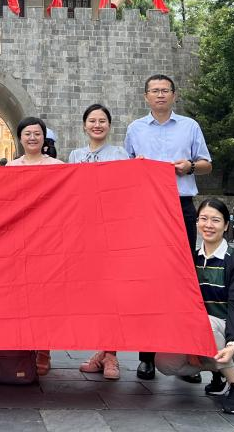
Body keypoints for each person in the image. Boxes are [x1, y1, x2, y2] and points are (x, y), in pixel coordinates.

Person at [123, 73, 212, 381]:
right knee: (147, 280)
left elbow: (206, 164)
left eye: (165, 90)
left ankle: (186, 358)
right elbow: (126, 168)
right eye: (154, 91)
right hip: (145, 209)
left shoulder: (190, 126)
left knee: (183, 278)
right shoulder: (135, 129)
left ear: (174, 95)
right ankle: (146, 356)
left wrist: (189, 166)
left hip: (180, 206)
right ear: (146, 96)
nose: (160, 95)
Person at [154, 198, 234, 415]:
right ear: (196, 222)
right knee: (165, 362)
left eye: (215, 220)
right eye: (203, 219)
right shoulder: (191, 261)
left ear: (226, 225)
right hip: (204, 335)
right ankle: (220, 371)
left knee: (206, 324)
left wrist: (232, 343)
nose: (208, 225)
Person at [69, 103, 129, 380]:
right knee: (92, 294)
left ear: (109, 125)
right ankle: (101, 351)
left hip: (112, 230)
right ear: (84, 125)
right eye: (92, 120)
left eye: (102, 120)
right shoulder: (75, 155)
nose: (97, 125)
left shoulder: (120, 154)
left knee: (112, 293)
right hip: (83, 231)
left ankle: (111, 354)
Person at [6, 115, 63, 375]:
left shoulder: (58, 167)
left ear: (44, 137)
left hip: (48, 239)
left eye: (37, 134)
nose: (32, 138)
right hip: (19, 240)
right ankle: (23, 347)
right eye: (27, 133)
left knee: (45, 298)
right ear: (20, 137)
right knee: (20, 297)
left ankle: (43, 350)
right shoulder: (11, 167)